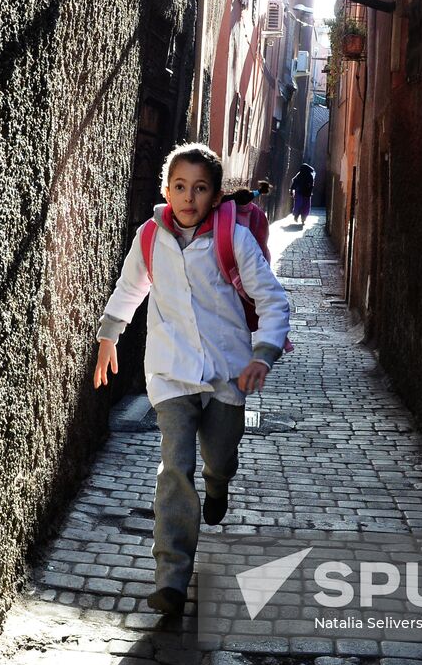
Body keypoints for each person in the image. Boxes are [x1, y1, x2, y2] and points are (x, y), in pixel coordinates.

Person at [93, 143, 290, 616]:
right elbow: (129, 289)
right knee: (174, 469)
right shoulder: (149, 238)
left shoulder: (233, 239)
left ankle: (219, 483)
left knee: (218, 455)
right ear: (166, 190)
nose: (188, 196)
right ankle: (171, 577)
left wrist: (262, 353)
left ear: (215, 195)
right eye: (179, 187)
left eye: (199, 188)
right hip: (171, 372)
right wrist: (109, 336)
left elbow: (272, 299)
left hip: (227, 371)